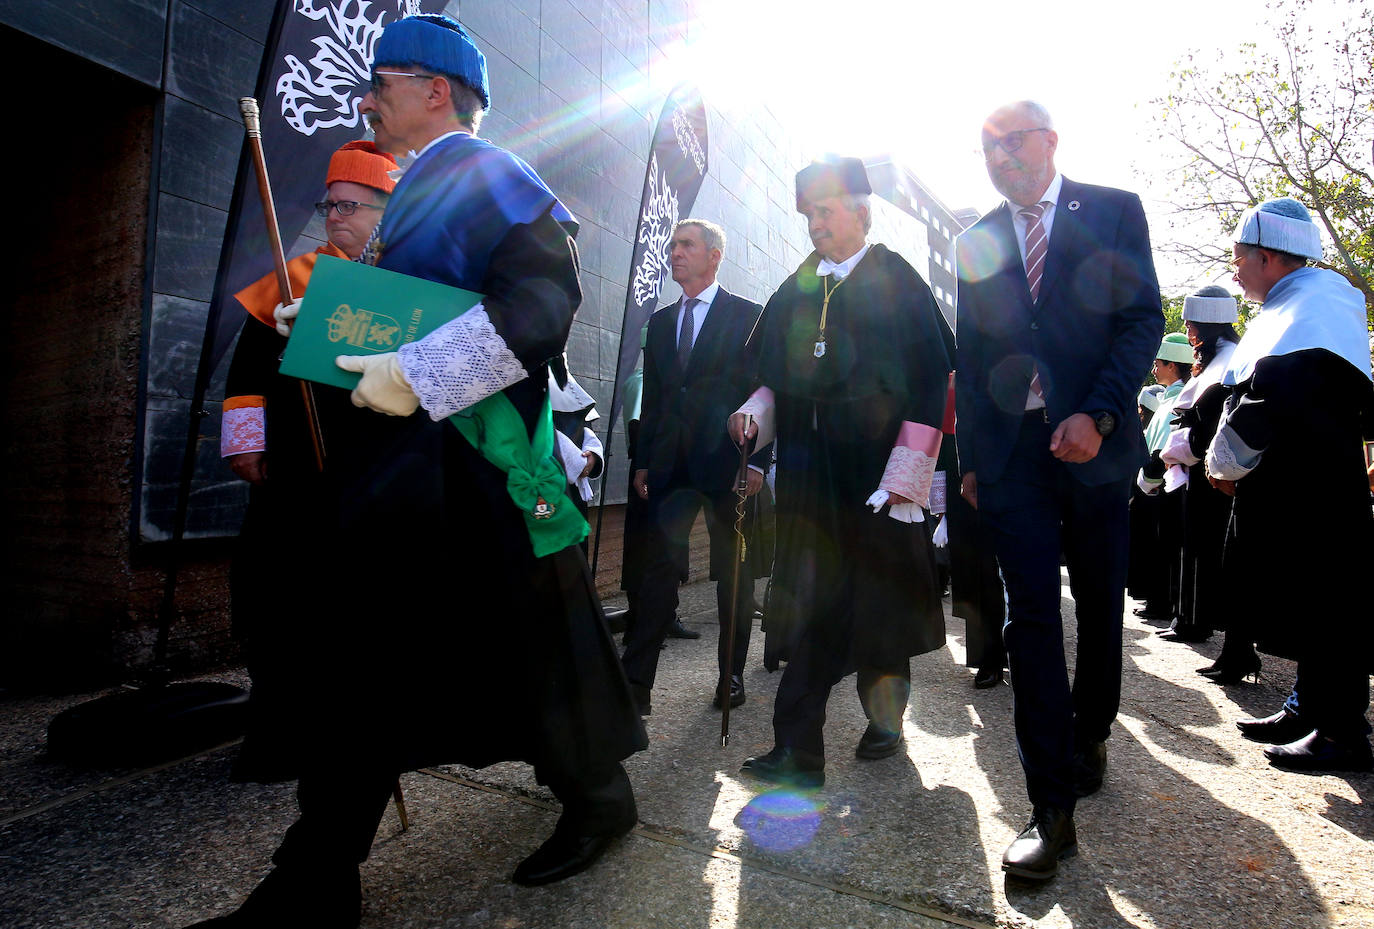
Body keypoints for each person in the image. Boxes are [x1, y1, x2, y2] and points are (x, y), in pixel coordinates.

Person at [188, 15, 645, 927]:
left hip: (479, 481)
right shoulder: (424, 186)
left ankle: (599, 796)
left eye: (384, 80)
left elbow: (542, 308)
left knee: (527, 654)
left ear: (436, 89)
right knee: (366, 664)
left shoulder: (486, 174)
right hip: (409, 487)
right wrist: (321, 332)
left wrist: (417, 372)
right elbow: (414, 314)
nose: (369, 98)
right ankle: (316, 877)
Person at [954, 100, 1163, 881]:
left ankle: (1094, 727)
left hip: (1096, 452)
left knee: (1101, 601)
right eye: (987, 145)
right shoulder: (977, 238)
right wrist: (975, 459)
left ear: (1049, 141)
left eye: (1013, 141)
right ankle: (1050, 810)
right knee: (1032, 618)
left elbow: (1142, 321)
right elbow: (972, 359)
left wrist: (1102, 414)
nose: (1001, 156)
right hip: (1015, 461)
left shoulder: (1111, 211)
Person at [729, 156, 950, 787]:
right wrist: (754, 414)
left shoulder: (897, 281)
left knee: (878, 609)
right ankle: (798, 748)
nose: (814, 225)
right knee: (817, 608)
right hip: (809, 479)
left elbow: (933, 381)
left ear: (860, 211)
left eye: (824, 212)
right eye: (807, 215)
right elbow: (772, 373)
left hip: (877, 480)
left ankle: (884, 719)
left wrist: (908, 474)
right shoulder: (797, 285)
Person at [220, 140, 397, 783]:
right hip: (295, 468)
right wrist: (246, 437)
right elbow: (245, 371)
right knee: (277, 597)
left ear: (386, 210)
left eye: (351, 206)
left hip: (368, 471)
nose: (335, 216)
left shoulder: (399, 287)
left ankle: (346, 727)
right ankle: (274, 732)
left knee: (352, 607)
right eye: (330, 205)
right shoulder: (292, 276)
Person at [1207, 197, 1373, 773]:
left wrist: (1223, 464)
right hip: (1301, 492)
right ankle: (1308, 707)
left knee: (1332, 609)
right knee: (1315, 606)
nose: (1235, 270)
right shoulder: (1303, 302)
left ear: (1271, 257)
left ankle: (1344, 733)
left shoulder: (1316, 307)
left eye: (1240, 257)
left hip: (1316, 497)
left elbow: (1270, 397)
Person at [623, 219, 766, 714]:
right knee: (656, 574)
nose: (675, 253)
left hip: (729, 465)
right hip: (669, 468)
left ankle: (731, 676)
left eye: (686, 245)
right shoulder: (661, 323)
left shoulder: (749, 316)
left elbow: (764, 393)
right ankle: (635, 685)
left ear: (714, 256)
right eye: (673, 245)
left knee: (733, 573)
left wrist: (759, 461)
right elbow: (658, 395)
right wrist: (643, 462)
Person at [1159, 286, 1250, 672]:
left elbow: (1212, 420)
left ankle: (1204, 627)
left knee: (1210, 551)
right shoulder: (1220, 358)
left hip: (1217, 472)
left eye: (1193, 326)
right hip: (1198, 469)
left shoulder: (1231, 361)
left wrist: (1187, 449)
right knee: (1194, 547)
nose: (1189, 333)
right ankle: (1191, 620)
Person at [1136, 332, 1195, 639]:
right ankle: (1160, 601)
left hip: (1170, 483)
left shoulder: (1182, 398)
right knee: (1159, 545)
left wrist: (1148, 479)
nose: (1155, 369)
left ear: (1172, 365)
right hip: (1159, 481)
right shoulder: (1171, 397)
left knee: (1170, 547)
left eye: (1159, 363)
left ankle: (1169, 605)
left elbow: (1165, 447)